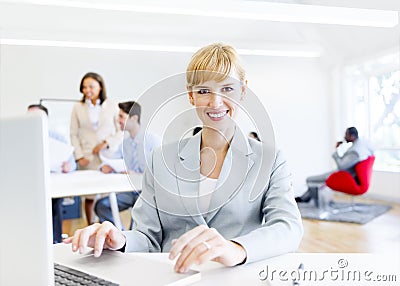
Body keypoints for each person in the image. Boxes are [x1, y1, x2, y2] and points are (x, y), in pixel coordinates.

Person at [65, 43, 303, 273]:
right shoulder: (161, 159)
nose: (215, 102)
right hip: (174, 276)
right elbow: (147, 235)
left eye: (227, 89)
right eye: (204, 91)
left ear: (243, 90)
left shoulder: (270, 160)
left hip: (235, 278)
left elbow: (288, 227)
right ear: (191, 96)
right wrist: (119, 239)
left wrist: (236, 249)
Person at [95, 101, 161, 228]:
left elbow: (161, 171)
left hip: (148, 193)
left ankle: (130, 238)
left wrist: (137, 174)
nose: (118, 120)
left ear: (134, 118)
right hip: (130, 191)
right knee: (101, 206)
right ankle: (121, 235)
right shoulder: (124, 144)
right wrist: (107, 167)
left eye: (121, 117)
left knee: (137, 216)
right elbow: (110, 159)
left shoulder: (153, 140)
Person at [70, 72, 123, 225]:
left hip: (107, 156)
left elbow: (120, 131)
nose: (88, 90)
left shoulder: (112, 105)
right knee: (89, 196)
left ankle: (107, 227)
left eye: (91, 86)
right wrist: (79, 156)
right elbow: (73, 134)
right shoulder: (77, 107)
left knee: (107, 196)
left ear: (100, 87)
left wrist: (106, 143)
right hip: (87, 157)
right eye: (84, 87)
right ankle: (90, 226)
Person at [27, 104, 77, 243]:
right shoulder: (23, 136)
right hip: (30, 183)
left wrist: (68, 166)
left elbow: (72, 163)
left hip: (53, 182)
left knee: (54, 203)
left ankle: (55, 243)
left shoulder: (57, 137)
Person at [296, 127, 374, 203]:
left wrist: (336, 150)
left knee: (309, 179)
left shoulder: (355, 152)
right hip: (345, 174)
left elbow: (341, 167)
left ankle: (312, 201)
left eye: (346, 134)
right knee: (316, 181)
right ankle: (305, 198)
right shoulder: (362, 145)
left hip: (343, 176)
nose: (344, 137)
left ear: (352, 136)